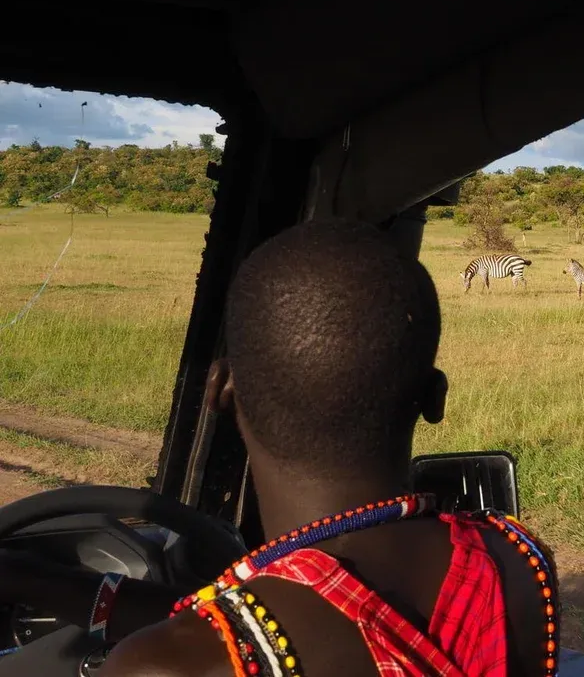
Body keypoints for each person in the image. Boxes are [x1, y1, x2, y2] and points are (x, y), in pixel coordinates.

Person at [0, 219, 553, 676]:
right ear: (434, 398)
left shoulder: (163, 667)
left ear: (220, 390)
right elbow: (249, 613)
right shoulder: (520, 562)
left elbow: (242, 629)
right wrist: (28, 578)